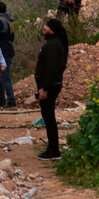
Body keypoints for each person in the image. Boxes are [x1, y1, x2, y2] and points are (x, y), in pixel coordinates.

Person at [35, 19, 69, 160]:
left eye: (47, 26)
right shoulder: (54, 44)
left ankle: (53, 150)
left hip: (50, 86)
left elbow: (50, 69)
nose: (44, 27)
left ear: (52, 30)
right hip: (51, 85)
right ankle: (52, 148)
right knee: (48, 117)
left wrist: (44, 88)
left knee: (49, 118)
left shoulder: (53, 46)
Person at [0, 2, 17, 109]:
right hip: (7, 50)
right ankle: (1, 101)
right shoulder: (8, 19)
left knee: (4, 77)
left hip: (3, 52)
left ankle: (11, 102)